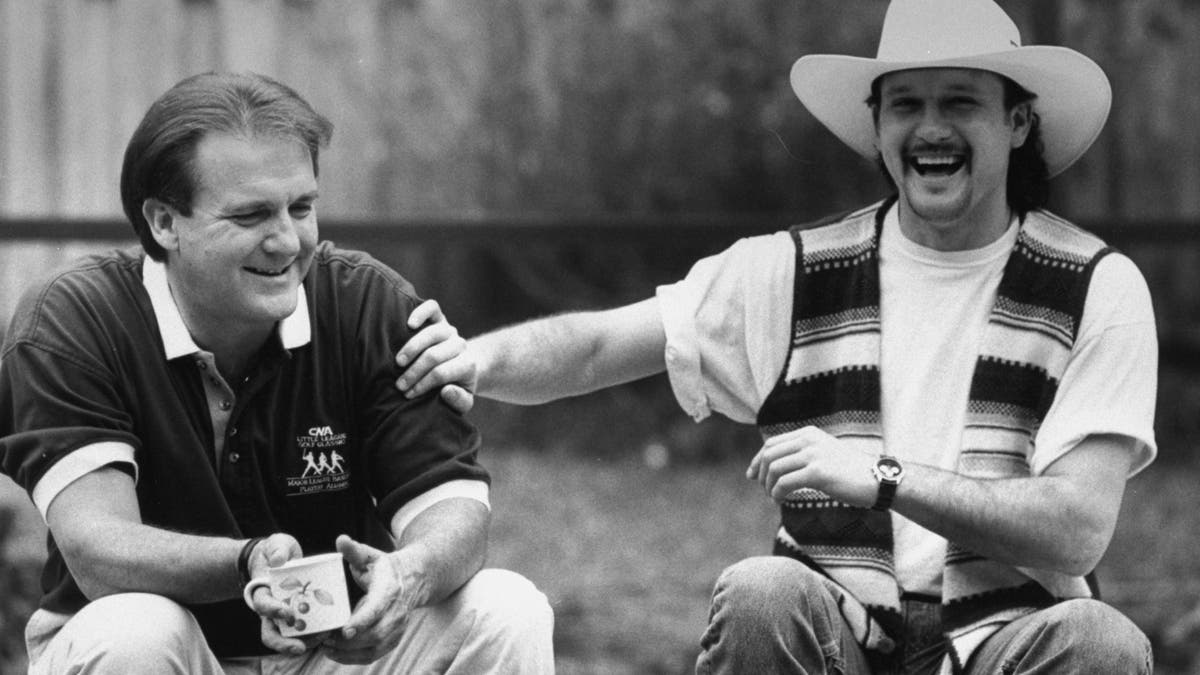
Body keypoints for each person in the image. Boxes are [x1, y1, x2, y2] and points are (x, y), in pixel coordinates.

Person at [395, 0, 1157, 673]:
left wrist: (883, 475)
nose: (930, 127)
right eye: (905, 105)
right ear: (879, 128)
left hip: (1012, 636)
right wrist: (476, 358)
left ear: (1016, 123)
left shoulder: (1096, 283)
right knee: (763, 592)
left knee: (1103, 643)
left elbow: (1078, 531)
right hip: (837, 634)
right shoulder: (796, 271)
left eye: (960, 101)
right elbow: (599, 345)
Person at [0, 72, 553, 674]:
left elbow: (453, 512)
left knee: (506, 608)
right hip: (167, 652)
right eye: (251, 215)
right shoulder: (73, 319)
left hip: (335, 653)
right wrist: (248, 562)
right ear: (163, 222)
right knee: (136, 630)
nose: (288, 241)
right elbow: (98, 551)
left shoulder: (369, 304)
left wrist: (405, 576)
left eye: (302, 207)